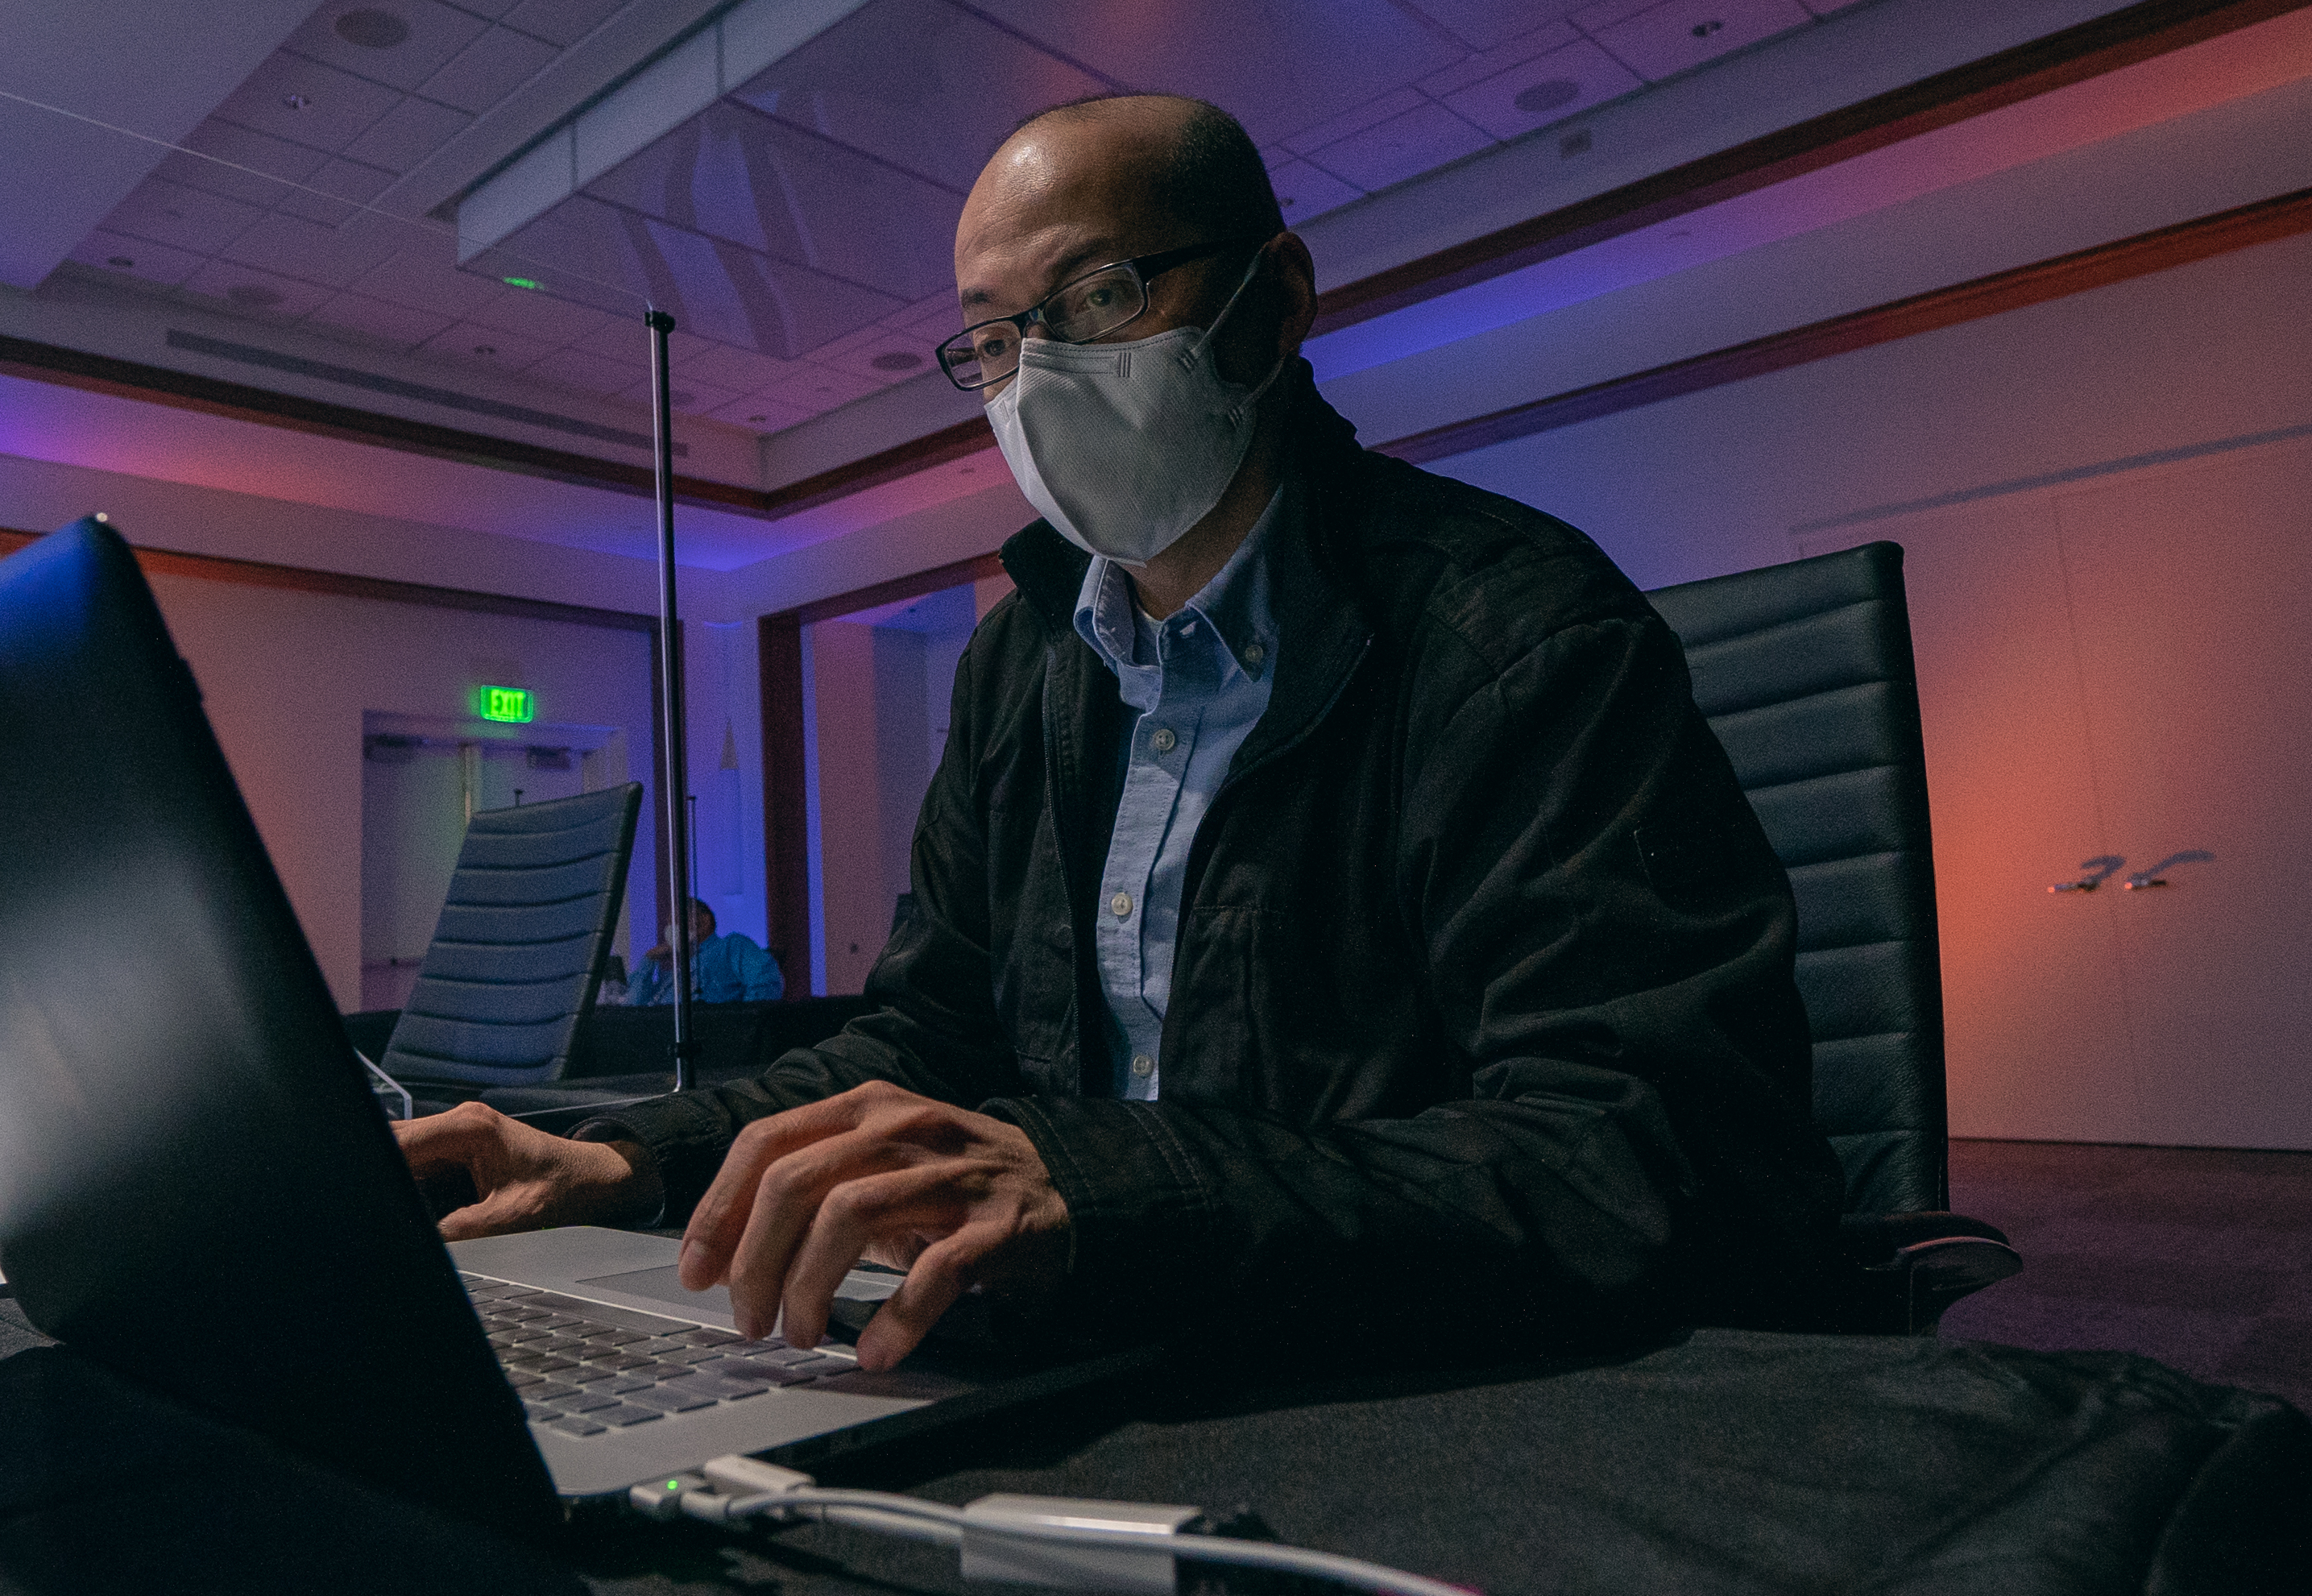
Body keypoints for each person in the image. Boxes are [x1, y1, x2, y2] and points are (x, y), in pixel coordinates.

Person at [396, 93, 1842, 1373]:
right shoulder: (1021, 668)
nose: (1037, 375)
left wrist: (1106, 1193)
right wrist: (624, 1156)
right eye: (991, 338)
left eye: (1095, 297)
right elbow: (928, 1033)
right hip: (1105, 1345)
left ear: (1272, 300)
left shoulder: (1521, 644)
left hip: (1407, 1380)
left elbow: (1643, 1154)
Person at [625, 900, 784, 1009]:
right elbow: (633, 1008)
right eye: (669, 924)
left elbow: (766, 982)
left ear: (703, 921)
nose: (670, 929)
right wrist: (649, 960)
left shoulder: (730, 947)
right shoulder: (672, 975)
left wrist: (740, 1026)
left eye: (676, 921)